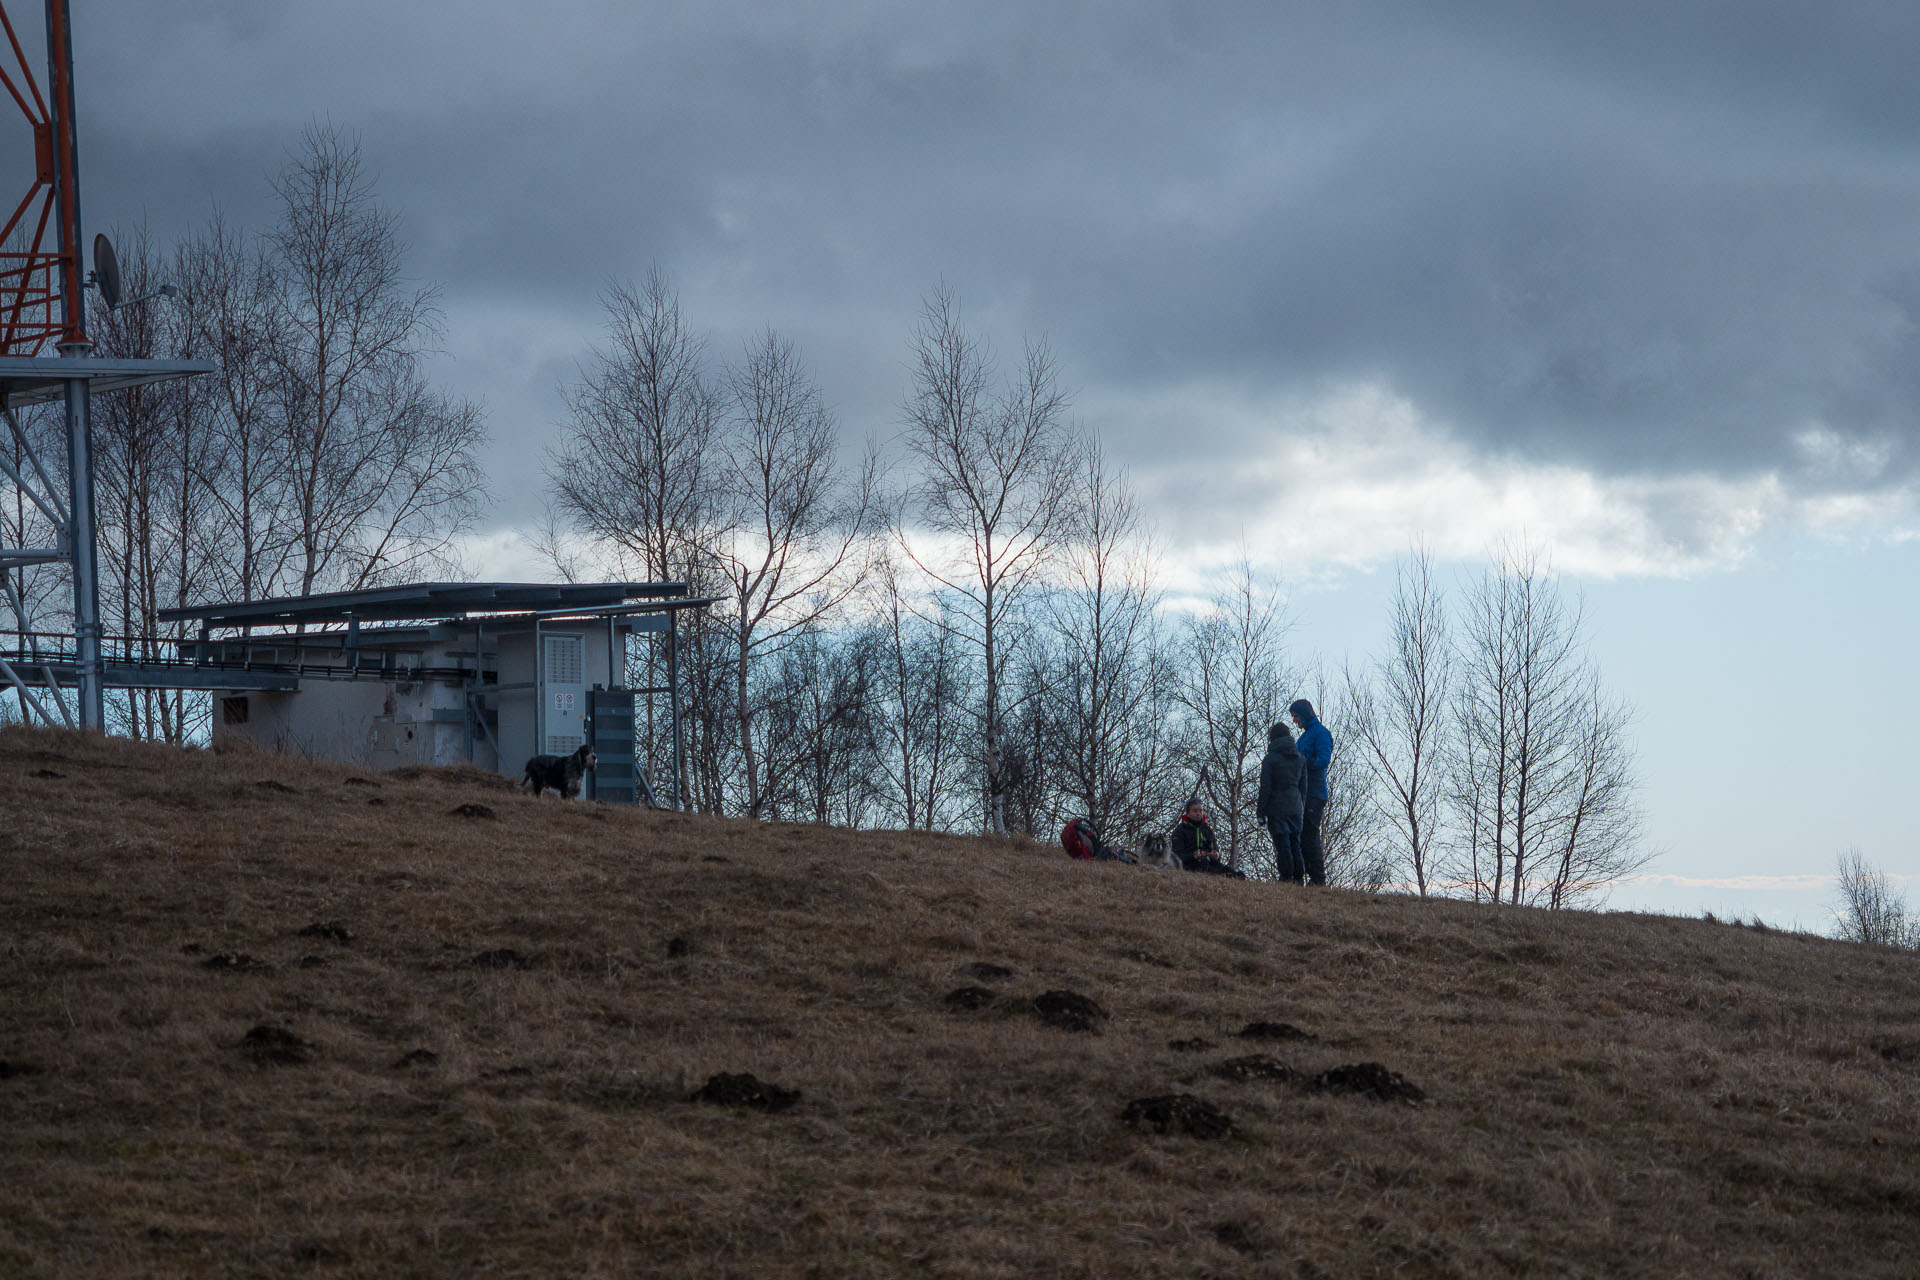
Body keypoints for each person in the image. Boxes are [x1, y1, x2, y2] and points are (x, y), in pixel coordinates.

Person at [1255, 719, 1309, 883]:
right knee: (1296, 844)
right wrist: (1301, 807)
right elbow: (1304, 788)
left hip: (1277, 807)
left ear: (1272, 739)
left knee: (1283, 845)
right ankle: (1299, 878)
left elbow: (1266, 787)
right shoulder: (1300, 758)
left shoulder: (1270, 759)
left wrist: (1260, 812)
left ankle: (1286, 878)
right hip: (1296, 806)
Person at [1290, 698, 1334, 887]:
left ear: (1304, 714)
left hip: (1315, 793)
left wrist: (1303, 763)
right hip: (1301, 793)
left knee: (1309, 834)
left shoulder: (1322, 734)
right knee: (1300, 834)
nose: (1294, 721)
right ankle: (1304, 875)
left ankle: (1317, 879)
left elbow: (1323, 759)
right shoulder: (1304, 736)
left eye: (1295, 716)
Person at [1170, 799, 1244, 877]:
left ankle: (1232, 876)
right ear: (1188, 814)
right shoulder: (1180, 831)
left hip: (1209, 862)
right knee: (1205, 868)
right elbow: (1177, 855)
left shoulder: (1207, 830)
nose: (1198, 814)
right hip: (1189, 865)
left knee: (1232, 872)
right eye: (1195, 811)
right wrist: (1194, 855)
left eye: (1200, 811)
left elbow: (1216, 852)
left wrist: (1216, 855)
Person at [1060, 817, 1135, 863]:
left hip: (1087, 854)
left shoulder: (1075, 836)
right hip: (1094, 855)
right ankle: (1127, 860)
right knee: (1109, 851)